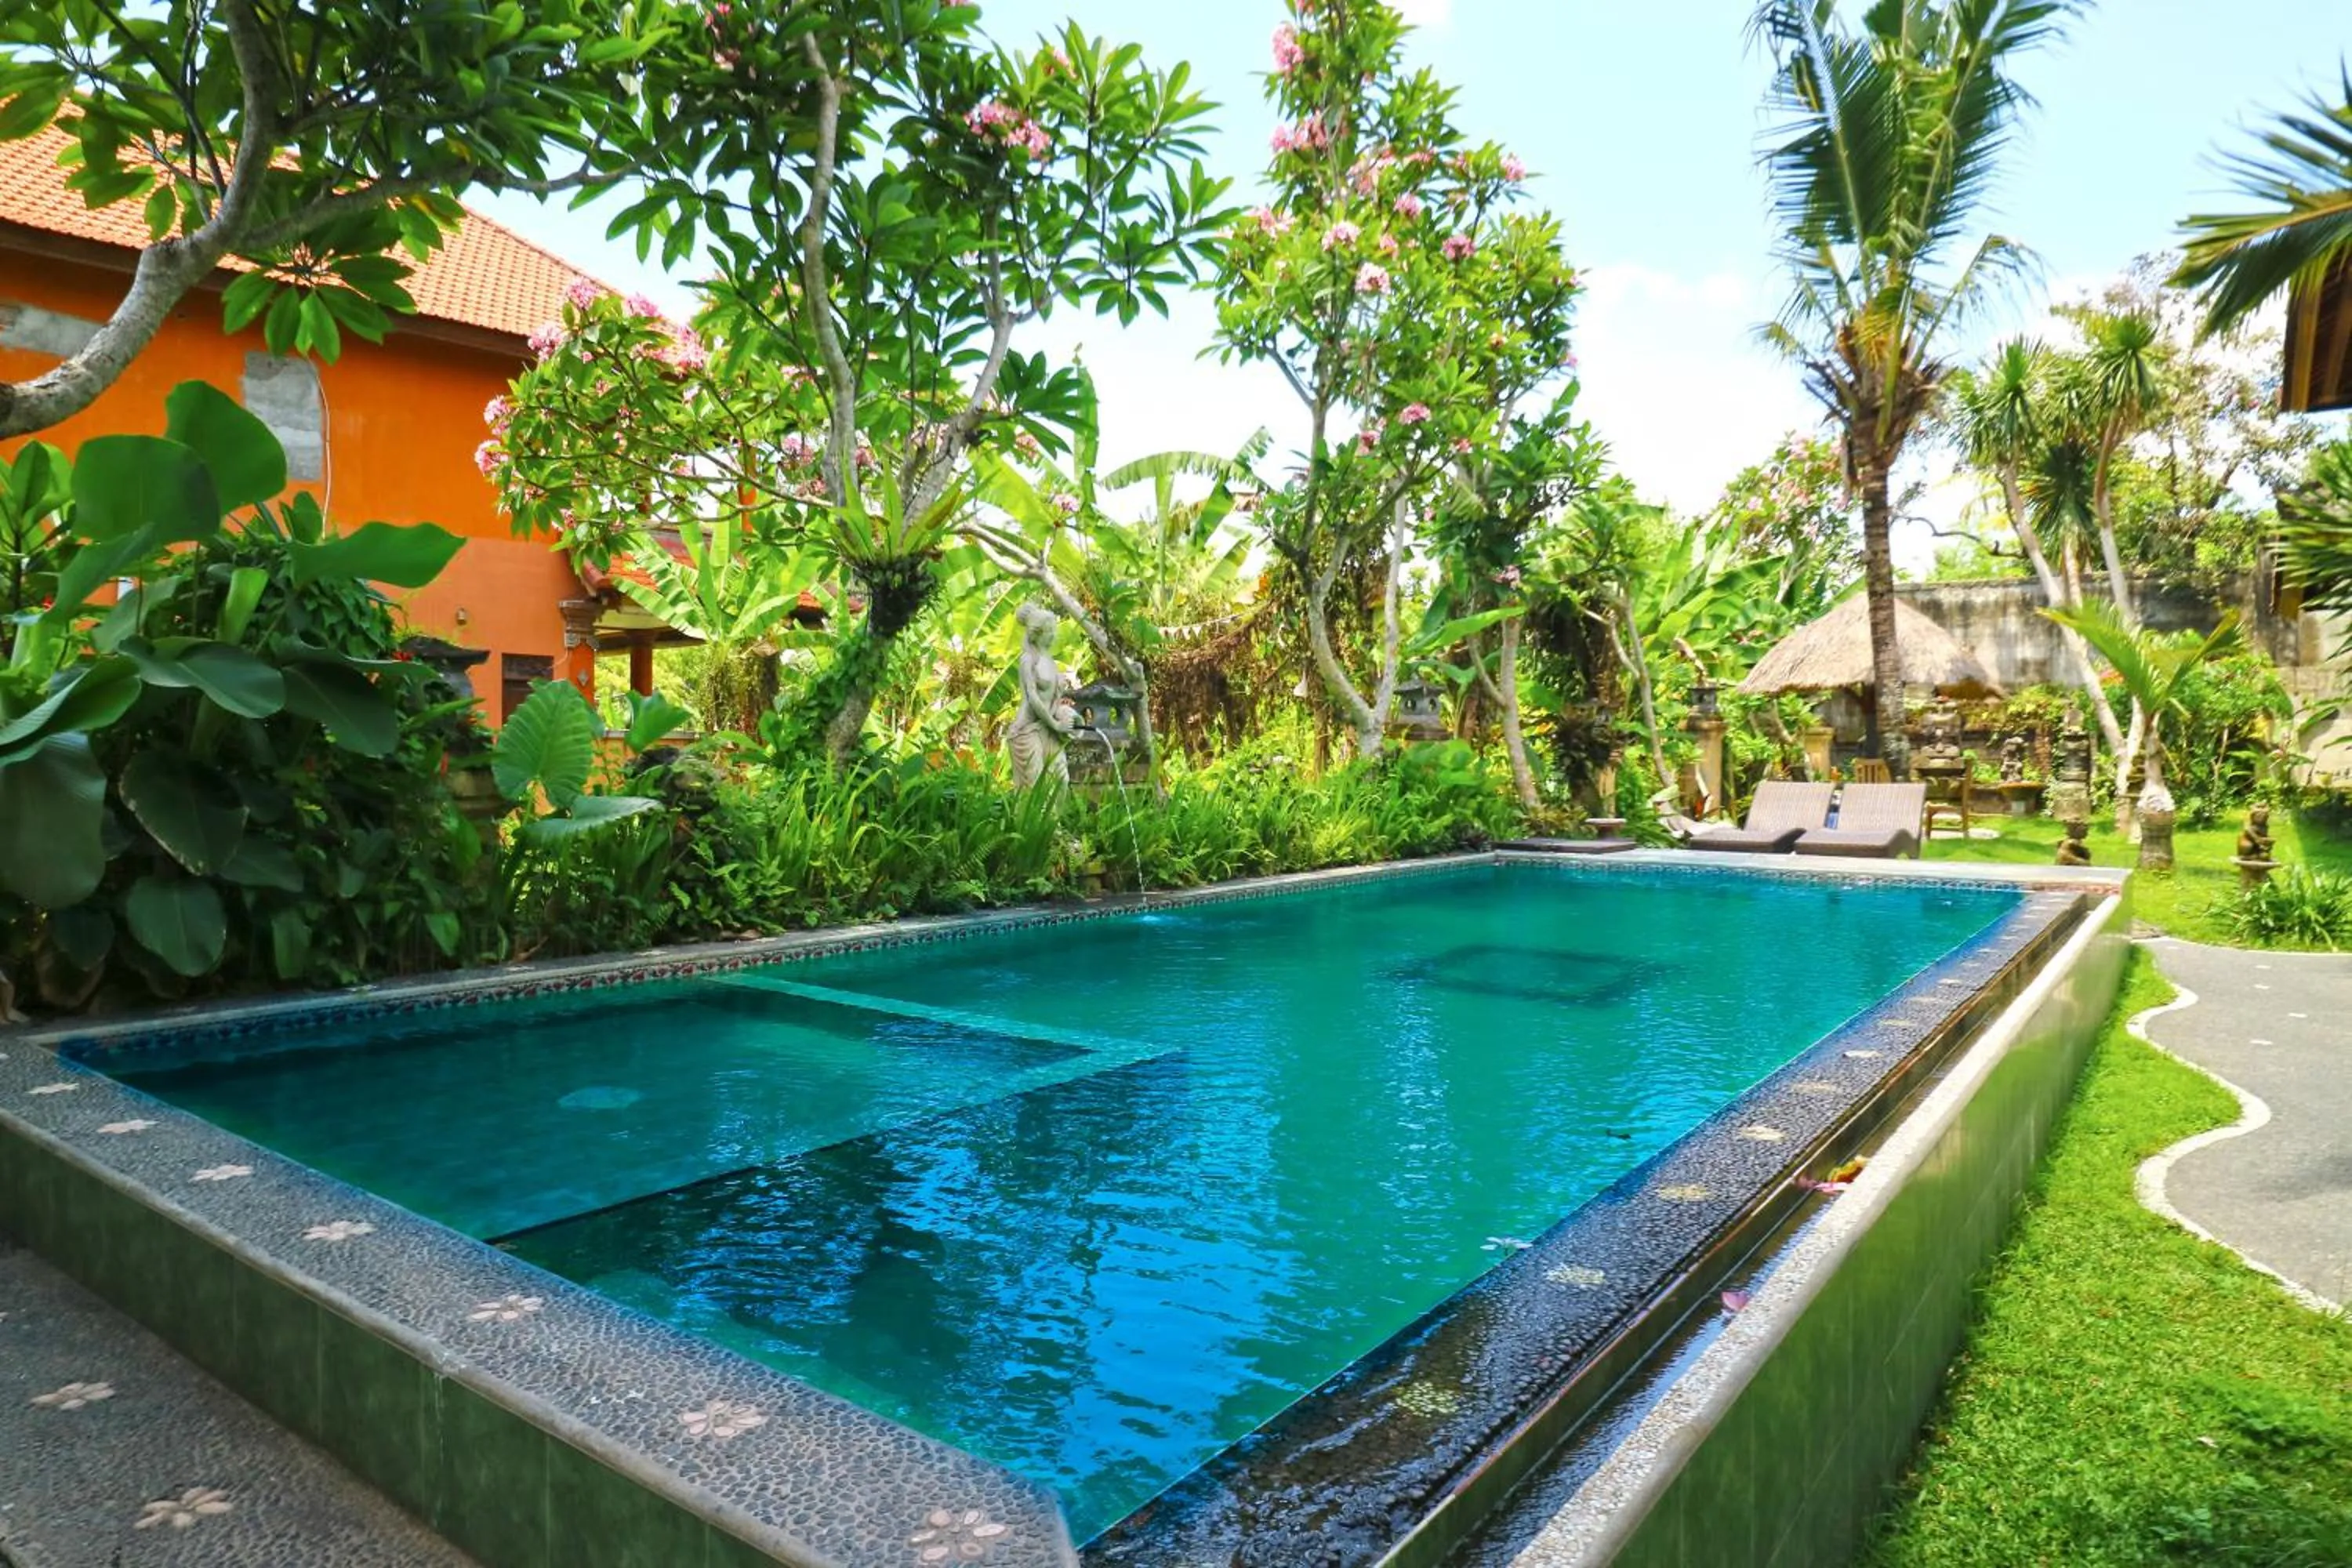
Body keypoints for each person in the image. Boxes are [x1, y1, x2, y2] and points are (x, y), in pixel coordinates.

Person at [1007, 602, 1076, 789]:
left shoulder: (1050, 661)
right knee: (1035, 788)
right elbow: (1033, 698)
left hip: (1048, 728)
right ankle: (1034, 820)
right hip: (1027, 730)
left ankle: (1056, 820)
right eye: (1049, 631)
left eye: (1054, 630)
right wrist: (1056, 724)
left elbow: (1052, 699)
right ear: (1036, 634)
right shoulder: (1028, 660)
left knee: (1062, 780)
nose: (1053, 635)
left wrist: (1063, 714)